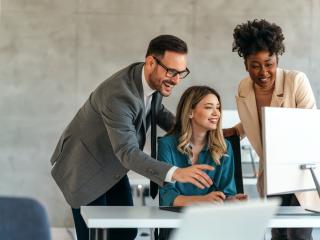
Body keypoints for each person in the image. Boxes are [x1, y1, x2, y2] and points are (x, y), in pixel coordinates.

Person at [50, 35, 215, 240]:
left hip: (111, 163)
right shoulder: (118, 95)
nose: (176, 80)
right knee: (95, 234)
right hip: (85, 168)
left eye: (182, 73)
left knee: (125, 232)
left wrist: (194, 132)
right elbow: (127, 152)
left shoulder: (151, 78)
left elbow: (157, 111)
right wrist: (176, 173)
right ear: (151, 62)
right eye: (172, 72)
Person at [225, 19, 317, 240]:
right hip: (274, 171)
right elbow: (256, 120)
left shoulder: (296, 81)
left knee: (298, 233)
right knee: (277, 231)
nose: (263, 72)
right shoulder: (243, 88)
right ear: (245, 64)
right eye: (255, 65)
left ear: (277, 59)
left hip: (302, 169)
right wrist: (237, 130)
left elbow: (310, 125)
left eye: (269, 63)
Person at [158, 86, 247, 207]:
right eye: (209, 107)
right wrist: (202, 200)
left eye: (218, 108)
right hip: (176, 220)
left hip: (213, 220)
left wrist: (230, 200)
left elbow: (226, 193)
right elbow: (167, 197)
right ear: (190, 112)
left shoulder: (224, 147)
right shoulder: (167, 144)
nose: (217, 113)